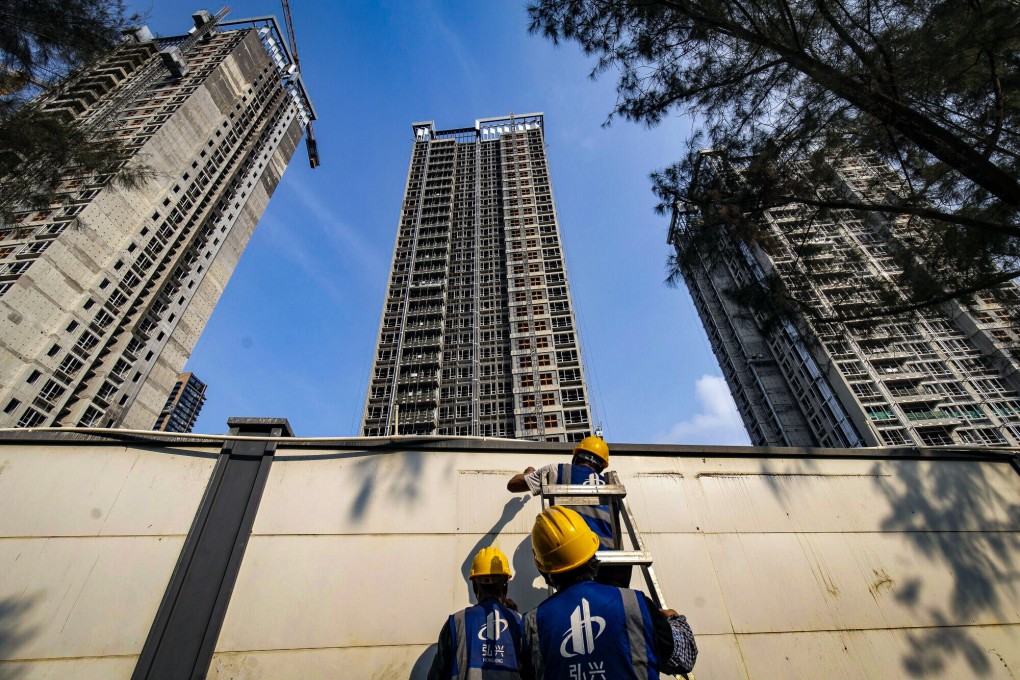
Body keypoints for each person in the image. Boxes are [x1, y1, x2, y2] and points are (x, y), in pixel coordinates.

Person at [519, 506, 697, 680]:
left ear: (543, 569)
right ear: (593, 552)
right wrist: (674, 619)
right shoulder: (635, 604)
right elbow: (684, 660)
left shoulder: (532, 623)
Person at [507, 436, 628, 587]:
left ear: (576, 456)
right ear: (602, 466)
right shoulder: (610, 484)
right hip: (613, 566)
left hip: (575, 562)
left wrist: (529, 473)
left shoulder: (558, 471)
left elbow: (512, 485)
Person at [428, 546, 524, 679]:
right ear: (505, 584)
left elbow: (436, 675)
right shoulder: (520, 623)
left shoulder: (456, 622)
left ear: (474, 585)